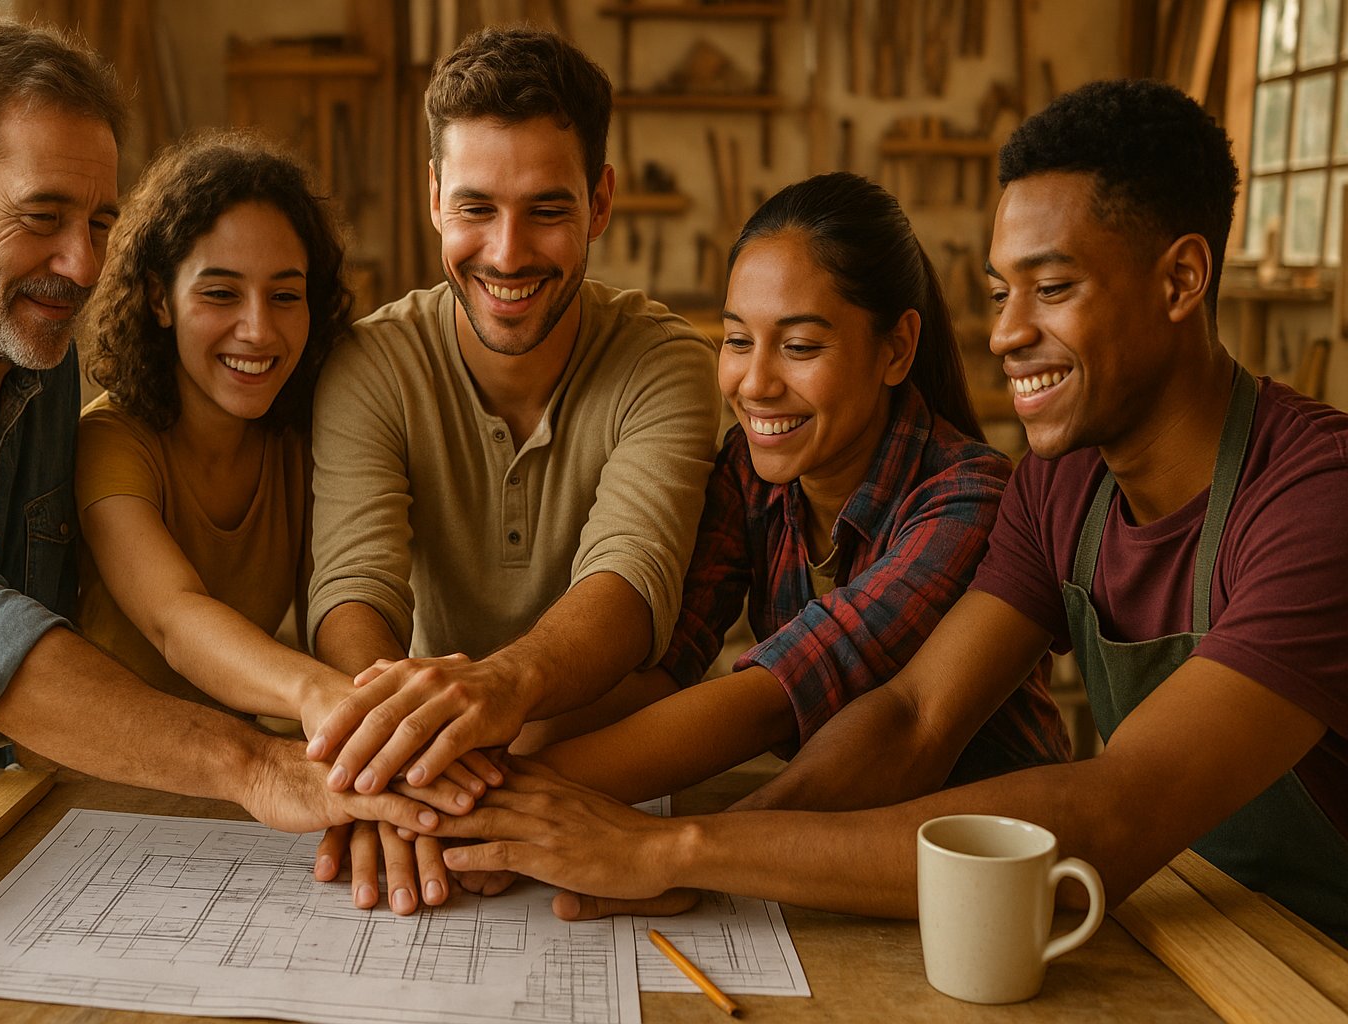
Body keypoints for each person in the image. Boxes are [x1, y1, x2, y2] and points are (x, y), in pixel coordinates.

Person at [431, 78, 1348, 945]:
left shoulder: (1319, 499)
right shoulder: (1059, 484)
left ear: (1182, 280)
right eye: (999, 294)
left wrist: (675, 848)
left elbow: (1119, 806)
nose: (1004, 333)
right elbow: (912, 717)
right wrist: (501, 798)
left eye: (1053, 289)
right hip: (1197, 909)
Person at [0, 21, 469, 841]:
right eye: (43, 215)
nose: (84, 265)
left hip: (2, 824)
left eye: (98, 223)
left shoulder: (41, 361)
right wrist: (256, 764)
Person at [526, 173, 1070, 810]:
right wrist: (491, 766)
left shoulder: (969, 498)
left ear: (896, 349)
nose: (755, 383)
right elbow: (663, 669)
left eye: (800, 346)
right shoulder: (748, 476)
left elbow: (778, 695)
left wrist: (528, 794)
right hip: (833, 838)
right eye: (736, 340)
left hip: (987, 853)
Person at [74, 131, 497, 915]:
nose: (259, 330)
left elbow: (349, 600)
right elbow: (175, 619)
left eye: (287, 293)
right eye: (220, 293)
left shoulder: (306, 437)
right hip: (102, 800)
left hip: (248, 791)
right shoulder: (111, 441)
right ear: (159, 298)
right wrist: (329, 702)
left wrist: (376, 766)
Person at [306, 26, 720, 796]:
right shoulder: (370, 365)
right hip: (415, 769)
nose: (506, 252)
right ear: (433, 198)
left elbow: (629, 586)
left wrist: (499, 689)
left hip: (607, 774)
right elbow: (353, 590)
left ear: (600, 202)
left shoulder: (667, 364)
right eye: (476, 208)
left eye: (546, 210)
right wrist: (410, 754)